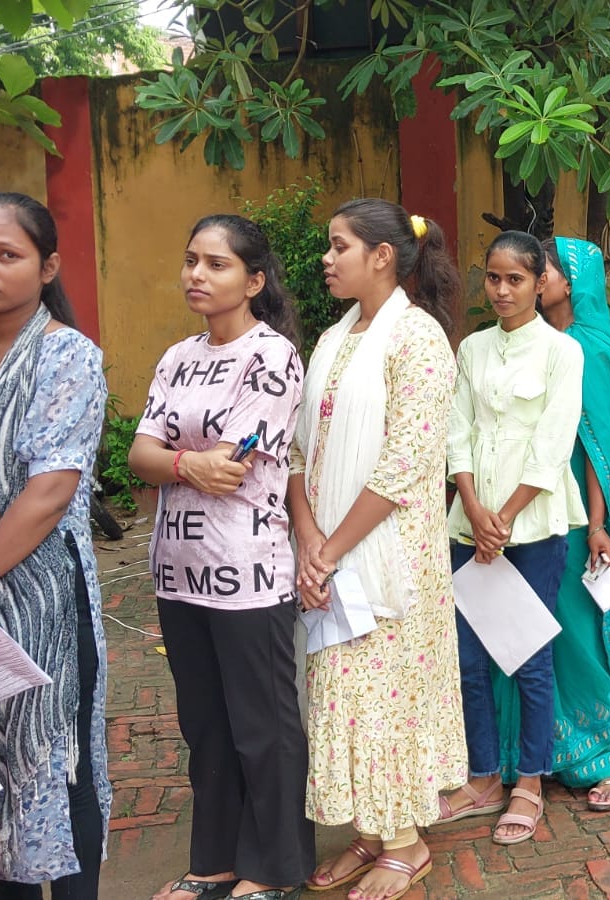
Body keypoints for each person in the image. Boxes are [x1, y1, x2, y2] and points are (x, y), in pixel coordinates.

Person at [131, 216, 311, 900]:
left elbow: (231, 467)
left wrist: (175, 460)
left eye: (216, 264)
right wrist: (186, 463)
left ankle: (274, 866)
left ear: (254, 280)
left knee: (262, 725)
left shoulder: (272, 357)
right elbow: (139, 456)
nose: (196, 275)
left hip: (248, 570)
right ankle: (214, 861)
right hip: (177, 568)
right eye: (191, 261)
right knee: (204, 724)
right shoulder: (177, 356)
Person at [0, 193, 109, 899]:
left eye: (7, 255)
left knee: (55, 763)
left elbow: (49, 493)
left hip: (38, 603)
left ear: (47, 267)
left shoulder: (67, 356)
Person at [292, 200, 463, 900]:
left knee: (385, 697)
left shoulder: (417, 338)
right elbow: (299, 449)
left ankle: (405, 844)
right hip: (328, 548)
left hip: (389, 555)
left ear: (382, 256)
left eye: (339, 246)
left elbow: (404, 465)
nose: (327, 259)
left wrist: (328, 551)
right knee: (341, 694)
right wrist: (309, 540)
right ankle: (373, 827)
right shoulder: (335, 337)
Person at [441, 231, 583, 845]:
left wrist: (503, 518)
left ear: (540, 283)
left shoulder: (562, 352)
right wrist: (474, 509)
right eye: (493, 278)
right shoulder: (472, 348)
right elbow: (458, 432)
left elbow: (553, 443)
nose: (501, 290)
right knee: (468, 660)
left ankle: (528, 781)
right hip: (468, 525)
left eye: (515, 280)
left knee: (529, 659)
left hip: (533, 527)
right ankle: (482, 778)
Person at [527, 237, 610, 795]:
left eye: (542, 271)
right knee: (536, 628)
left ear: (570, 282)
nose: (534, 280)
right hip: (534, 505)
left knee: (576, 628)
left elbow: (599, 446)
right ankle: (544, 751)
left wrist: (597, 525)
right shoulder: (536, 340)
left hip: (577, 511)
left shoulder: (589, 348)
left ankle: (607, 753)